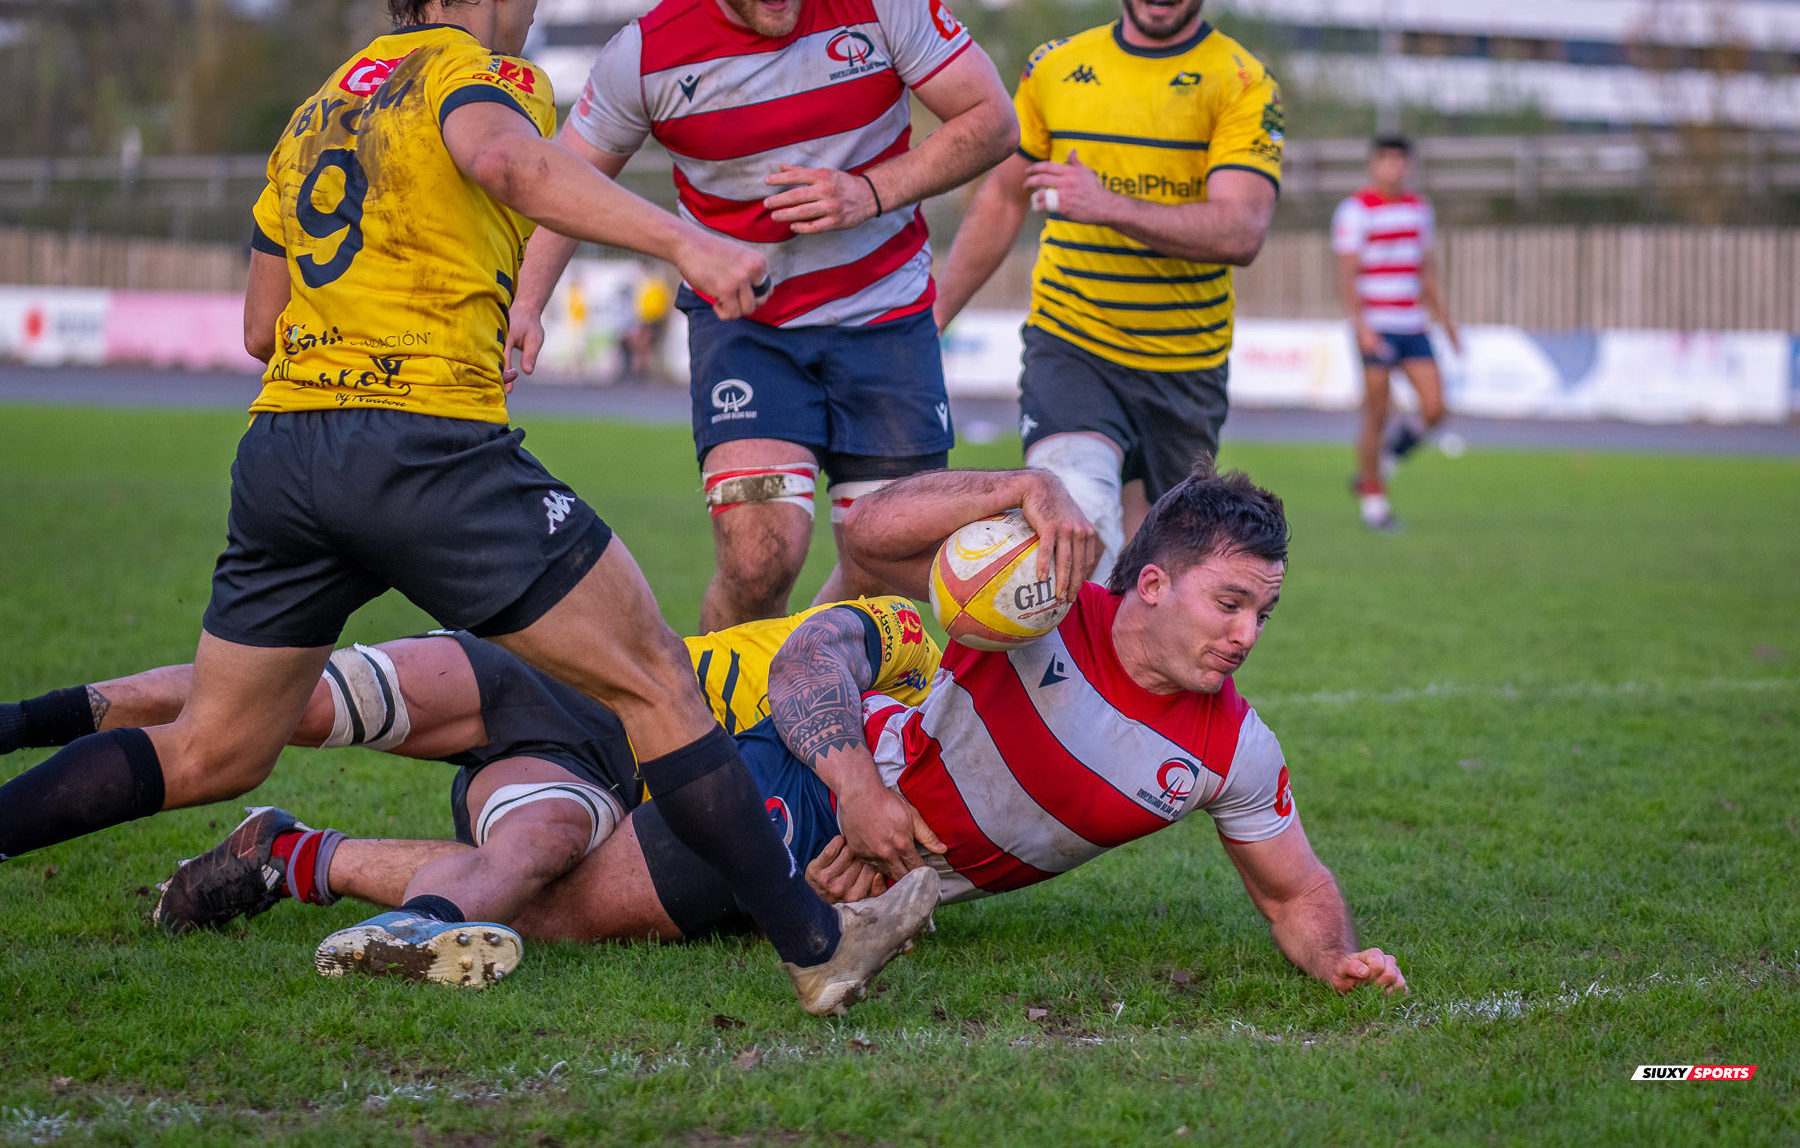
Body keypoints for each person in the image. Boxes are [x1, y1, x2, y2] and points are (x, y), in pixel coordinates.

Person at [0, 0, 938, 1018]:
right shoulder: (483, 80)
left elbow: (262, 326)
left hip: (284, 454)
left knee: (216, 746)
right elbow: (507, 166)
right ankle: (821, 945)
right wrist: (692, 244)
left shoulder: (318, 109)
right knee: (654, 683)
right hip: (425, 449)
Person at [154, 465, 1407, 996]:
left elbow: (1296, 894)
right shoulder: (1025, 605)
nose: (1247, 633)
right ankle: (294, 840)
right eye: (1230, 601)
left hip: (878, 880)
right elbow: (850, 576)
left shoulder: (1233, 749)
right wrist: (859, 789)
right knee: (562, 910)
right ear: (1152, 581)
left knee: (556, 894)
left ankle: (293, 849)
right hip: (813, 790)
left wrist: (1341, 958)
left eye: (1266, 612)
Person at [2, 595, 940, 988]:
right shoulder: (907, 636)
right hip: (545, 677)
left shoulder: (958, 750)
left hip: (597, 776)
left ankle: (391, 914)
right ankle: (24, 720)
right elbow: (812, 668)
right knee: (272, 697)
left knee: (533, 859)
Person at [502, 0, 1020, 633]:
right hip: (748, 327)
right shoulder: (648, 53)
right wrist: (527, 302)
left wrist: (872, 190)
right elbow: (564, 183)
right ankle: (725, 730)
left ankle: (806, 698)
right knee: (758, 563)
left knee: (885, 574)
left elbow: (993, 120)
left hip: (886, 317)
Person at [933, 0, 1282, 583]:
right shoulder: (1057, 65)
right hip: (1072, 343)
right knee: (1081, 519)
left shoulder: (1242, 81)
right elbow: (1004, 198)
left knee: (1165, 573)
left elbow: (1242, 229)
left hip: (1184, 365)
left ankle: (1136, 679)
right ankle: (1049, 681)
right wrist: (929, 317)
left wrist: (1108, 205)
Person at [1333, 135, 1461, 531]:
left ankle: (1383, 461)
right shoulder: (1355, 210)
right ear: (1374, 165)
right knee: (1377, 412)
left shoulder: (1420, 209)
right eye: (1386, 160)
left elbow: (1425, 269)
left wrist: (1447, 321)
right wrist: (1361, 325)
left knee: (1436, 407)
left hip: (1413, 323)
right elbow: (1347, 274)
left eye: (1400, 161)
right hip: (1377, 324)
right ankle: (1375, 506)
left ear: (1409, 165)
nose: (1394, 167)